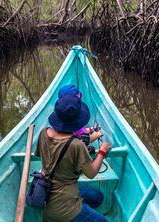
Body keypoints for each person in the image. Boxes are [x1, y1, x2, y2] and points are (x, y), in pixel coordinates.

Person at [35, 89, 112, 222]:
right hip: (64, 209)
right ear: (77, 120)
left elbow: (41, 155)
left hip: (46, 196)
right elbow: (92, 173)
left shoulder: (43, 133)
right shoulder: (77, 145)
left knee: (97, 196)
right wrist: (102, 151)